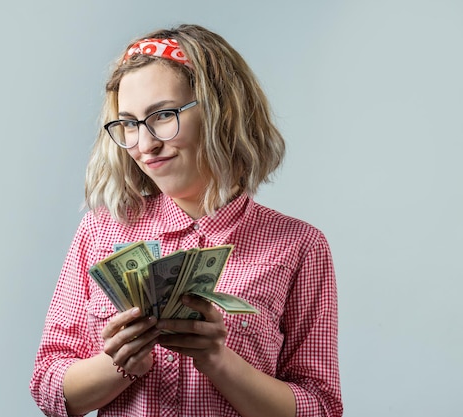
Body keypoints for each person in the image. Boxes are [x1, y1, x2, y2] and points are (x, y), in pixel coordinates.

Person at [30, 23, 343, 417]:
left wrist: (218, 360)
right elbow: (48, 388)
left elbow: (321, 408)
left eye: (162, 115)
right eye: (128, 124)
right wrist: (119, 366)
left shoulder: (299, 246)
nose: (144, 145)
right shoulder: (99, 231)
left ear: (222, 113)